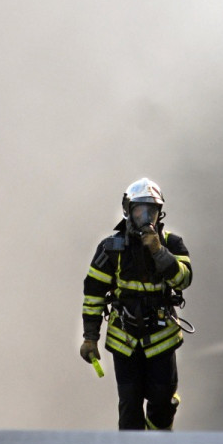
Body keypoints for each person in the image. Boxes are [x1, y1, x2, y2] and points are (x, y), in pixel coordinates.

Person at [80, 178, 192, 430]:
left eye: (150, 211)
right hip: (125, 340)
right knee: (129, 405)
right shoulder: (111, 247)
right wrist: (90, 338)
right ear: (127, 209)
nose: (145, 216)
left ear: (159, 213)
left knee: (163, 403)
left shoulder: (172, 243)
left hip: (162, 338)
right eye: (139, 209)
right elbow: (93, 294)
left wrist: (159, 252)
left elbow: (184, 280)